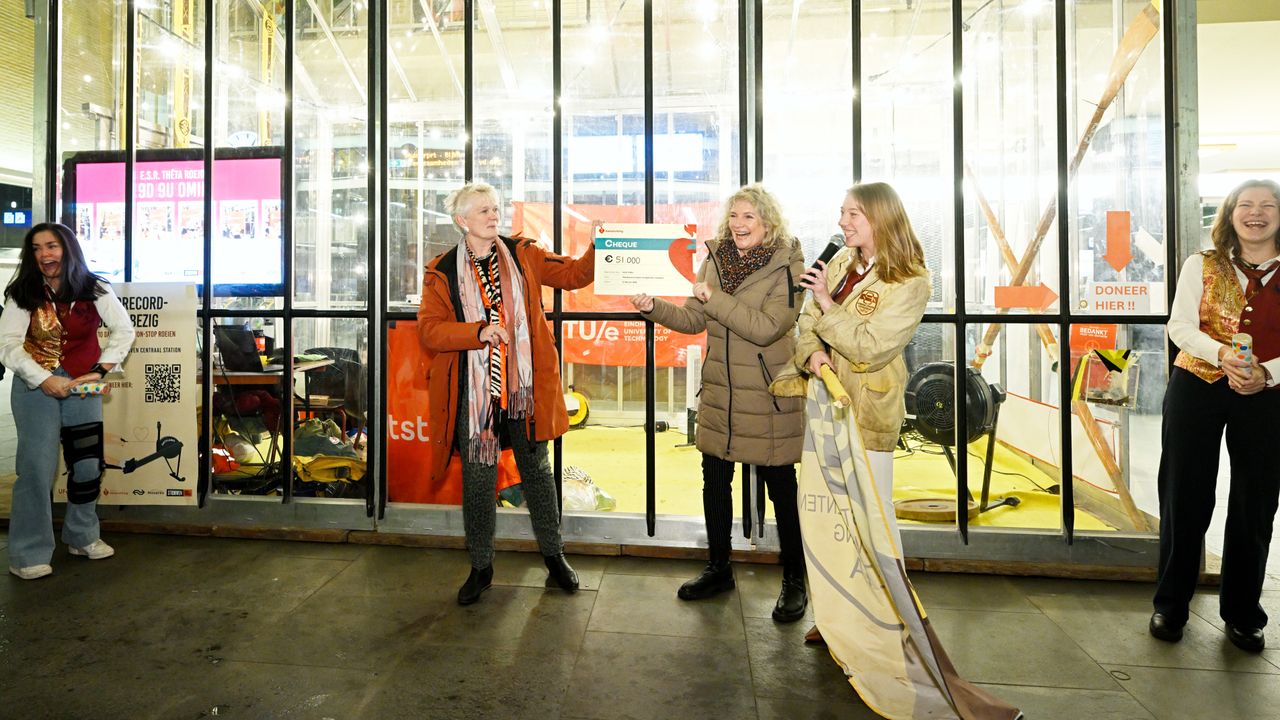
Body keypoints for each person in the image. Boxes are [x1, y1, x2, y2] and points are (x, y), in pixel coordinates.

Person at [630, 185, 809, 622]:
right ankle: (718, 568)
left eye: (749, 217)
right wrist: (653, 307)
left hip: (766, 397)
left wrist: (717, 299)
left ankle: (795, 580)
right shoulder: (714, 260)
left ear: (768, 223)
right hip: (720, 395)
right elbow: (694, 318)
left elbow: (768, 328)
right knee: (714, 484)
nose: (739, 224)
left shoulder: (788, 265)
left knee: (782, 491)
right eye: (734, 216)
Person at [417, 182, 594, 605]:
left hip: (523, 391)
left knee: (537, 474)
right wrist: (477, 332)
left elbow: (572, 275)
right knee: (478, 481)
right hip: (472, 394)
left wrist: (599, 247)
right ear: (462, 221)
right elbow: (430, 330)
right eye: (482, 211)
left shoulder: (523, 254)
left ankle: (555, 557)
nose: (493, 215)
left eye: (495, 208)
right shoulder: (440, 270)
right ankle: (481, 566)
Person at [792, 182, 931, 642]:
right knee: (831, 517)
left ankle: (893, 620)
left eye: (853, 214)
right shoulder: (839, 262)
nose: (842, 223)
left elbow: (870, 348)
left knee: (873, 519)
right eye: (842, 213)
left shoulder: (911, 281)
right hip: (824, 406)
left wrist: (829, 306)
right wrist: (812, 355)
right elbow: (807, 323)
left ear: (881, 218)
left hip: (867, 411)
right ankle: (835, 617)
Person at [1150, 179, 1280, 653]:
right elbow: (1179, 326)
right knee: (1184, 495)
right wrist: (1221, 354)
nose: (1256, 213)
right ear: (1230, 214)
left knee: (1255, 502)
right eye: (1246, 205)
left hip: (1268, 395)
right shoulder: (1200, 265)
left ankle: (1244, 613)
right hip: (1196, 387)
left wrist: (1266, 372)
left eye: (1268, 205)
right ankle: (1170, 604)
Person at [1, 222, 136, 580]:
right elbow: (9, 344)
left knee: (88, 463)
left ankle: (82, 535)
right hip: (34, 388)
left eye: (52, 246)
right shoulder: (21, 292)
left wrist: (101, 369)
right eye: (37, 248)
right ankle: (27, 552)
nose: (45, 255)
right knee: (36, 469)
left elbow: (124, 329)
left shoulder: (95, 287)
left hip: (82, 386)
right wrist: (43, 379)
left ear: (68, 249)